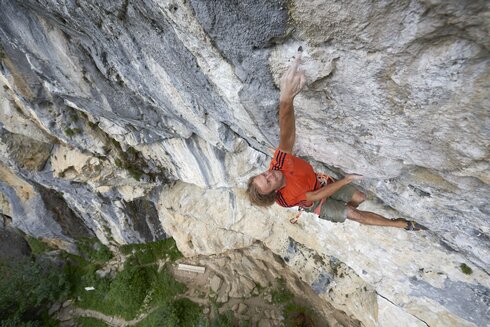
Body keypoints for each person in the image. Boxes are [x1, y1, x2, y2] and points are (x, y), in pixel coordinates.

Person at [246, 47, 425, 231]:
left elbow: (287, 135)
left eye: (264, 174)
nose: (269, 174)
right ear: (274, 191)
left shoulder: (279, 164)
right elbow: (316, 196)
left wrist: (286, 98)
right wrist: (345, 180)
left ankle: (343, 207)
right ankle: (402, 224)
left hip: (320, 184)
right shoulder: (286, 198)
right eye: (268, 181)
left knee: (360, 198)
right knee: (354, 215)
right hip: (315, 203)